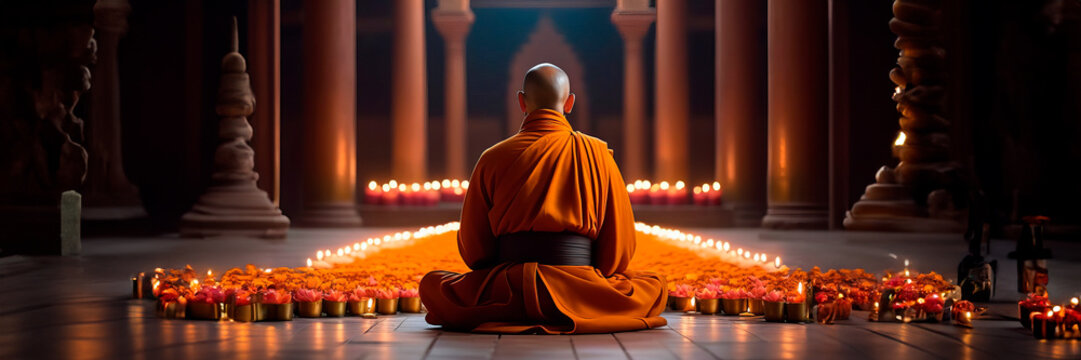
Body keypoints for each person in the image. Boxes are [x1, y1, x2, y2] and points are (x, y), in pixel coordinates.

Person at [419, 63, 667, 334]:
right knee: (652, 285)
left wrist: (502, 276)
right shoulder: (597, 155)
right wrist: (590, 279)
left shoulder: (492, 158)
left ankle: (520, 306)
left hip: (508, 292)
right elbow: (617, 253)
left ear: (521, 102)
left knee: (434, 285)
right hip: (580, 291)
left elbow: (475, 251)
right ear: (569, 102)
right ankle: (577, 306)